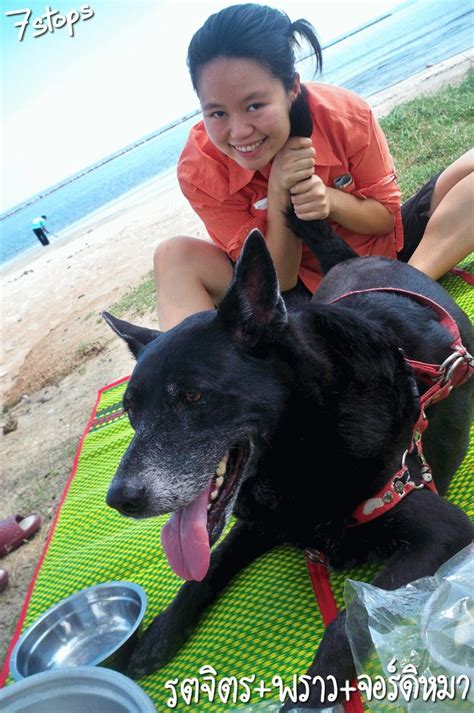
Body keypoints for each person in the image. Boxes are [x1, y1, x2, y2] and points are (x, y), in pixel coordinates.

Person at [154, 3, 473, 331]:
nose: (239, 132)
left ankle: (404, 289)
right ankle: (209, 373)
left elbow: (384, 219)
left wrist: (331, 201)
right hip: (296, 298)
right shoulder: (200, 170)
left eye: (254, 105)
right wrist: (280, 190)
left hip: (386, 256)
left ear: (291, 87)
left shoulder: (345, 116)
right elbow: (280, 278)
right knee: (173, 256)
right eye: (217, 113)